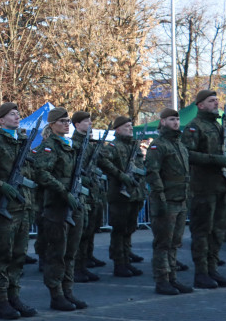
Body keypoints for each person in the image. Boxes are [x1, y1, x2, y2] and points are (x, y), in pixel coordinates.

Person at [0, 102, 38, 320]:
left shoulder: (21, 141)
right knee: (1, 255)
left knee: (18, 255)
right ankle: (1, 301)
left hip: (22, 206)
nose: (17, 117)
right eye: (12, 114)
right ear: (1, 120)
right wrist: (1, 185)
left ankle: (15, 297)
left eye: (18, 114)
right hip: (1, 208)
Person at [31, 107, 87, 311]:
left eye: (67, 121)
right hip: (56, 207)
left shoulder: (69, 146)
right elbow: (42, 174)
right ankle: (56, 295)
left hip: (73, 205)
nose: (66, 124)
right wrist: (64, 192)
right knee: (57, 253)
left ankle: (68, 291)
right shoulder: (49, 147)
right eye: (62, 121)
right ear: (52, 124)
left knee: (71, 252)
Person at [182, 89, 226, 288]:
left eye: (216, 100)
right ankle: (201, 272)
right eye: (211, 101)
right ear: (200, 105)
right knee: (202, 231)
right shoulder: (194, 127)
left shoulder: (218, 126)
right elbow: (188, 154)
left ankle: (213, 269)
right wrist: (214, 160)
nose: (216, 104)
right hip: (203, 187)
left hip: (221, 185)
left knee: (218, 231)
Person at [145, 108, 194, 295]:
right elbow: (153, 172)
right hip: (166, 201)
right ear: (163, 121)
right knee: (163, 243)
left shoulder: (179, 145)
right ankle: (162, 280)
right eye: (171, 119)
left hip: (180, 200)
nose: (175, 122)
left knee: (175, 243)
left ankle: (172, 277)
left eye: (177, 119)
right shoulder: (159, 145)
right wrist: (161, 197)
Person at [98, 116, 146, 278]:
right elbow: (102, 160)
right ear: (117, 129)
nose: (130, 128)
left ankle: (126, 260)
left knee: (129, 230)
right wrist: (120, 175)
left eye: (131, 126)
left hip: (134, 194)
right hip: (120, 195)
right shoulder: (113, 146)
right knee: (119, 230)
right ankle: (119, 263)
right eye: (126, 126)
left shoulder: (134, 146)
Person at [70, 112, 101, 283]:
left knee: (88, 231)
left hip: (91, 192)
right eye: (86, 121)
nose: (90, 123)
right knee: (79, 233)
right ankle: (76, 268)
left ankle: (83, 264)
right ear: (77, 124)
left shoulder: (89, 143)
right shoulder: (75, 144)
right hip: (80, 192)